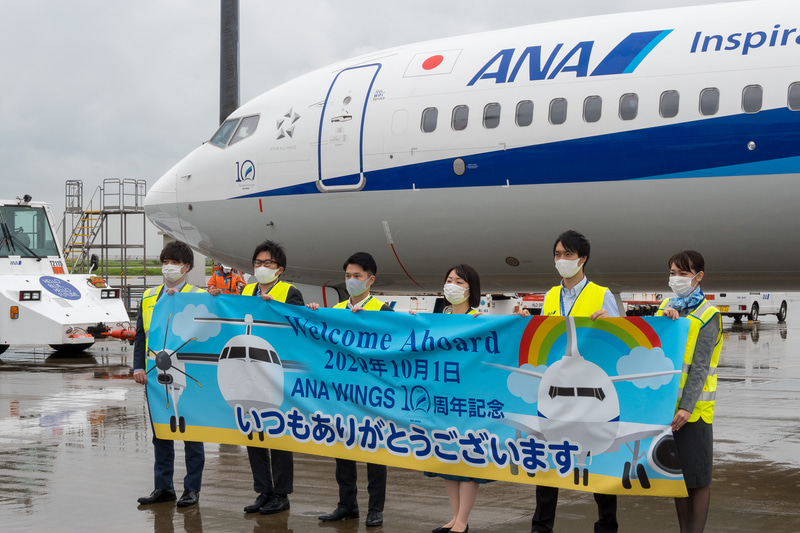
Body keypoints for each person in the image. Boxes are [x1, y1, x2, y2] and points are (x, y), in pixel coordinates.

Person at [521, 230, 619, 533]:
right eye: (557, 254)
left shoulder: (602, 294)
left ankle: (606, 526)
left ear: (582, 258)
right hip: (557, 393)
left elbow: (618, 341)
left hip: (590, 396)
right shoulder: (550, 296)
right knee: (548, 464)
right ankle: (541, 527)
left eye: (568, 254)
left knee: (598, 463)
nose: (561, 260)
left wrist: (610, 324)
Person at [309, 252, 392, 528]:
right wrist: (312, 313)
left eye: (357, 276)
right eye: (348, 276)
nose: (351, 280)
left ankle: (375, 508)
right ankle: (347, 505)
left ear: (371, 279)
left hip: (372, 395)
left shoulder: (383, 310)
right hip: (342, 393)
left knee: (374, 453)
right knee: (343, 451)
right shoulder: (336, 311)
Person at [233, 241, 304, 515]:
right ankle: (263, 490)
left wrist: (275, 308)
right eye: (257, 263)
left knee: (277, 432)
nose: (261, 267)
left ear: (280, 269)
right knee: (253, 432)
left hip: (277, 372)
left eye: (268, 263)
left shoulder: (289, 292)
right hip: (248, 372)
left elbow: (298, 327)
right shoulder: (246, 290)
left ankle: (282, 494)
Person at [133, 240, 205, 508]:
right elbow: (141, 335)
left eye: (175, 262)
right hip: (155, 373)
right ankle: (163, 487)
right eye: (165, 262)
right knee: (161, 433)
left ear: (187, 267)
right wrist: (138, 367)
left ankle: (192, 489)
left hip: (187, 372)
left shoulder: (199, 295)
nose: (169, 267)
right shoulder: (149, 296)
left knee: (191, 433)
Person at [656, 250, 721, 533]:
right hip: (667, 411)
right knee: (678, 477)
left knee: (698, 478)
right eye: (672, 273)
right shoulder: (665, 308)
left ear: (698, 276)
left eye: (683, 273)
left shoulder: (708, 314)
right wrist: (663, 321)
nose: (676, 278)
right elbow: (649, 343)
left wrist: (687, 407)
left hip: (694, 413)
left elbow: (700, 366)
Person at [427, 264, 486, 533]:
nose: (452, 285)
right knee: (447, 461)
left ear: (471, 289)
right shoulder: (438, 318)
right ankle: (455, 517)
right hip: (442, 400)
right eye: (449, 280)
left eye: (459, 282)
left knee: (467, 462)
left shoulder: (478, 320)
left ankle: (462, 521)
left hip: (468, 403)